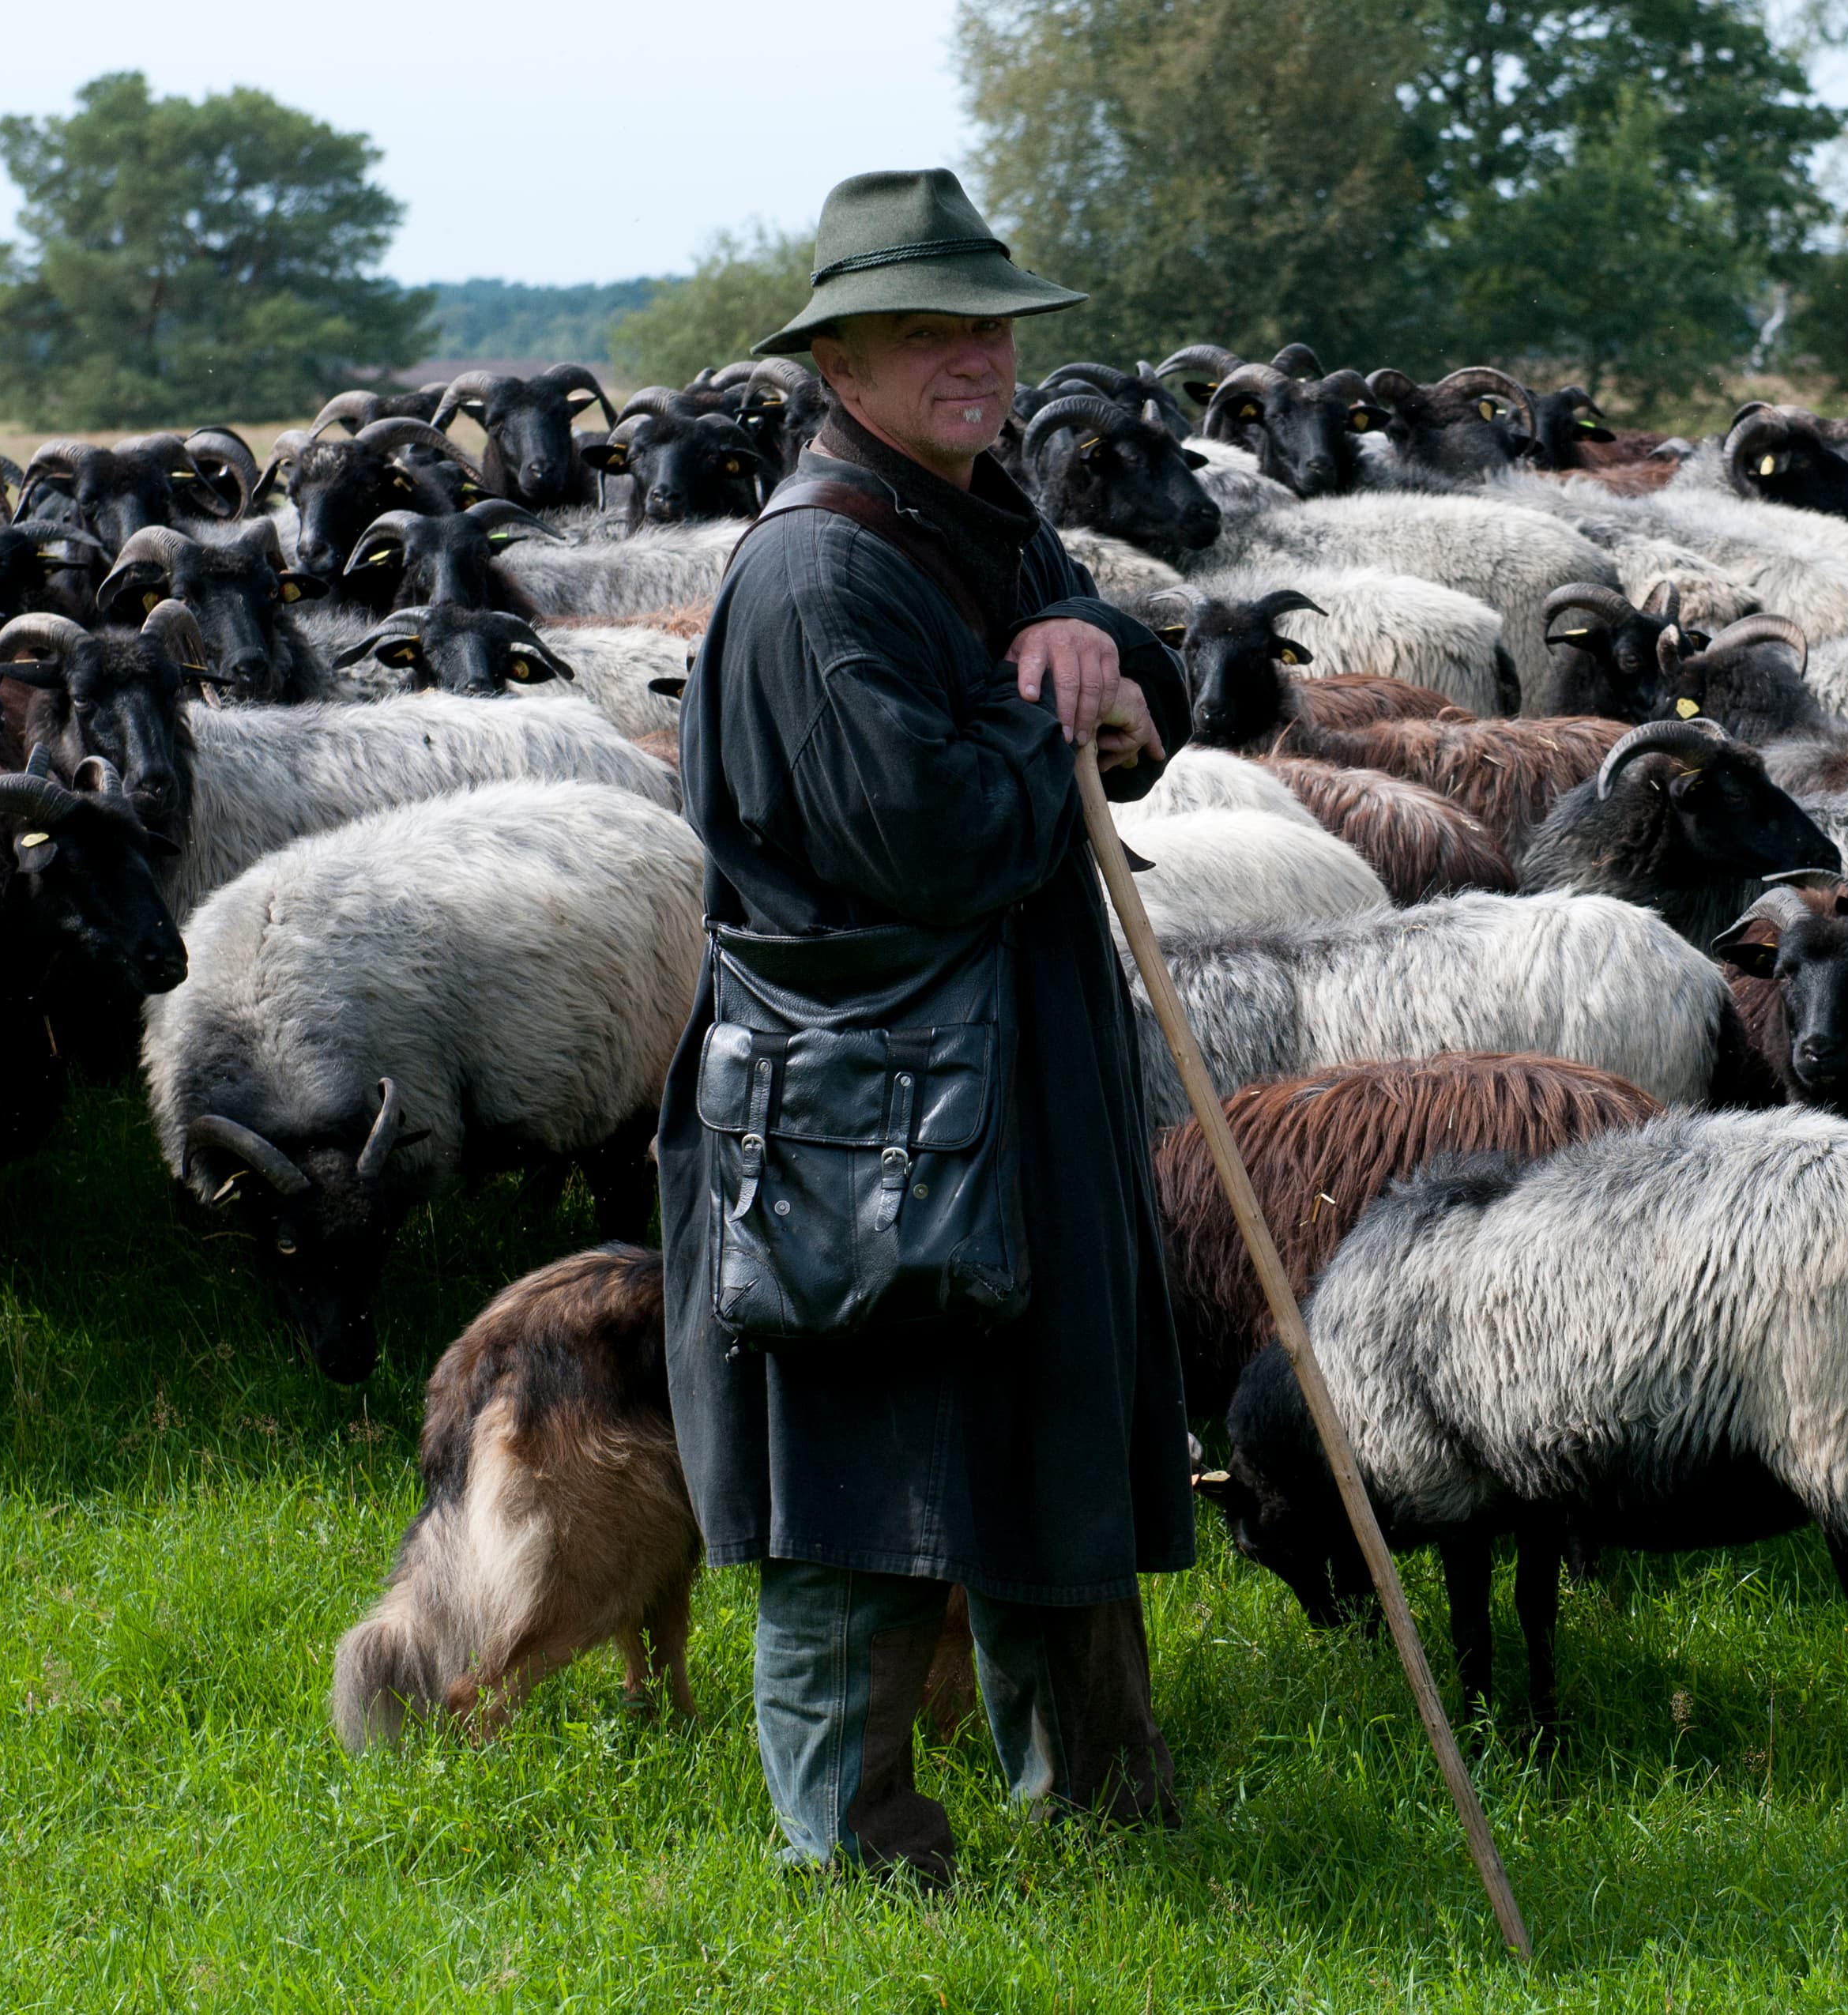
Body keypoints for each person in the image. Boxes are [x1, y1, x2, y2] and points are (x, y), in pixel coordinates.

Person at [655, 168, 1195, 1886]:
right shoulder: (820, 575)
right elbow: (940, 837)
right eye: (924, 332)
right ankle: (855, 1854)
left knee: (1052, 1413)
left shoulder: (982, 513)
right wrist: (1061, 717)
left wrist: (1094, 637)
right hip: (855, 1097)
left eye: (987, 326)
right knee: (863, 1467)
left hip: (1010, 1062)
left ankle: (1103, 1807)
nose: (972, 357)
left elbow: (1131, 693)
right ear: (844, 365)